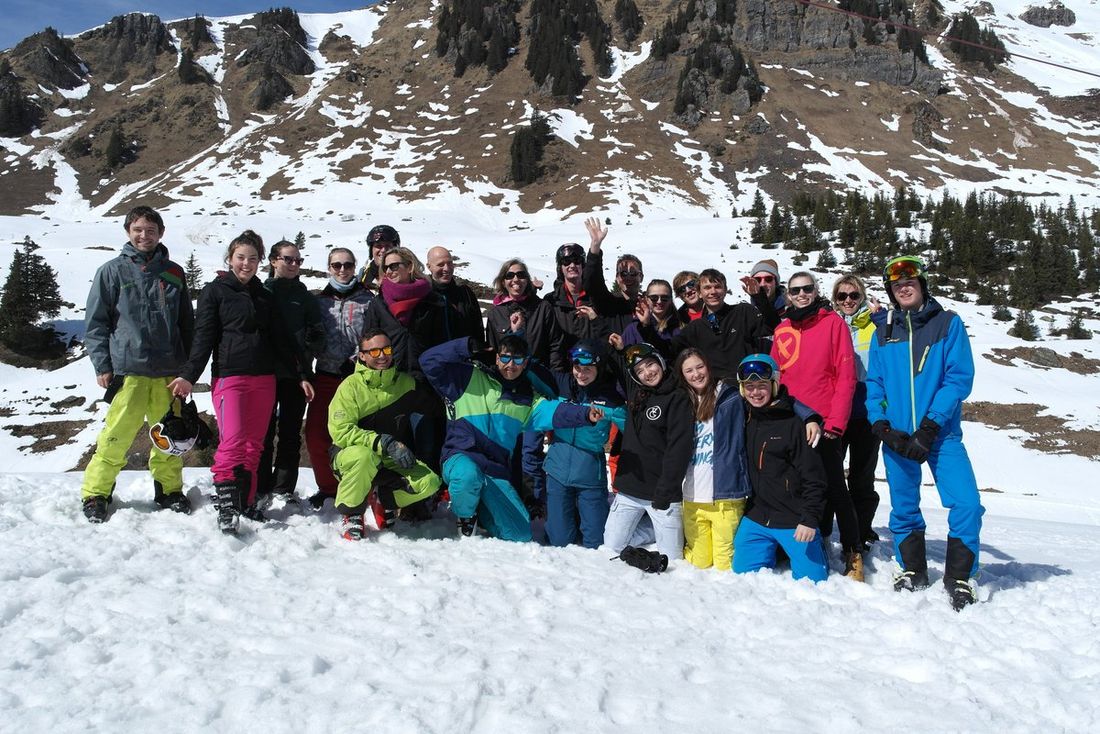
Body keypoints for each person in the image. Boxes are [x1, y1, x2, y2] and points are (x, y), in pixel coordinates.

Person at [170, 230, 310, 535]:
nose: (246, 263)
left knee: (254, 446)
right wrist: (188, 375)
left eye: (252, 258)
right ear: (230, 259)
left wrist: (301, 375)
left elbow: (282, 341)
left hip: (264, 378)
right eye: (240, 257)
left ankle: (245, 502)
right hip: (230, 376)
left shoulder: (264, 296)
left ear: (261, 261)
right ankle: (227, 505)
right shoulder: (215, 291)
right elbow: (203, 337)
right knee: (233, 441)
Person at [866, 255, 984, 611]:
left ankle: (960, 577)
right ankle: (911, 569)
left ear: (922, 284)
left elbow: (958, 378)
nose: (904, 288)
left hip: (941, 435)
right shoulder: (883, 333)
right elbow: (875, 384)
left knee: (966, 503)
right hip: (898, 437)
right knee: (904, 507)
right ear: (891, 291)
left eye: (910, 282)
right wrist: (882, 426)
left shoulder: (947, 324)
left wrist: (931, 426)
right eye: (897, 284)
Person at [419, 335, 602, 541]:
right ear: (497, 358)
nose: (510, 365)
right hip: (460, 457)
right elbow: (428, 361)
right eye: (505, 358)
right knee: (467, 475)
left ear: (525, 363)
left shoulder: (527, 400)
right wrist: (465, 346)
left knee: (520, 534)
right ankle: (466, 516)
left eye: (517, 360)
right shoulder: (468, 377)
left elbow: (555, 412)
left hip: (493, 470)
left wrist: (585, 414)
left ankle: (483, 510)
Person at [81, 205, 195, 522]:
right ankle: (96, 494)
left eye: (151, 230)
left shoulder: (174, 273)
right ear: (128, 232)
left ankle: (169, 490)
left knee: (170, 437)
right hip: (128, 371)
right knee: (115, 437)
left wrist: (188, 370)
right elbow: (96, 324)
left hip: (168, 373)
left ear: (161, 233)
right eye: (138, 229)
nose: (144, 235)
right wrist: (102, 365)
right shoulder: (111, 271)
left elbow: (187, 324)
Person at [770, 271, 863, 581]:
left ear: (815, 290)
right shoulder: (783, 328)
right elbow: (775, 377)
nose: (801, 294)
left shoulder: (832, 323)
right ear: (788, 294)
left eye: (807, 289)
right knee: (798, 486)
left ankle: (852, 550)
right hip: (791, 421)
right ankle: (812, 541)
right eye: (795, 290)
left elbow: (846, 376)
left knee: (834, 486)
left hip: (823, 421)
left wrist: (836, 423)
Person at [328, 330, 442, 540]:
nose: (382, 356)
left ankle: (383, 499)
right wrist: (384, 442)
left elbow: (435, 408)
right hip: (350, 458)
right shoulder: (350, 387)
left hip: (389, 458)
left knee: (429, 482)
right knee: (364, 456)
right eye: (374, 351)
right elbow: (341, 431)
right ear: (362, 355)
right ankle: (352, 514)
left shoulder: (406, 384)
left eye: (387, 349)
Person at [733, 354, 829, 582]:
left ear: (774, 385)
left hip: (793, 518)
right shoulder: (744, 416)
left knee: (813, 582)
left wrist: (809, 519)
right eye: (749, 387)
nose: (755, 392)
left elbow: (814, 478)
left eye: (762, 386)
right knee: (742, 576)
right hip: (757, 516)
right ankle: (776, 549)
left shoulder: (795, 424)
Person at [602, 343, 693, 561]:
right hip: (630, 490)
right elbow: (617, 361)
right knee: (612, 547)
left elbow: (679, 449)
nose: (647, 373)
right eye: (640, 371)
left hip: (662, 493)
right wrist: (616, 344)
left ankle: (662, 528)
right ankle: (652, 530)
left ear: (660, 361)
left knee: (672, 559)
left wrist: (665, 490)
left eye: (650, 364)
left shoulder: (678, 397)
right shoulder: (636, 391)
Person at [255, 240, 323, 513]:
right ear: (273, 260)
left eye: (298, 260)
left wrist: (307, 355)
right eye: (288, 259)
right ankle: (260, 487)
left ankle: (283, 488)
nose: (294, 264)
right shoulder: (261, 293)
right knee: (263, 433)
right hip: (265, 373)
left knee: (290, 433)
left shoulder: (304, 297)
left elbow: (317, 333)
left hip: (297, 375)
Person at [304, 247, 374, 509]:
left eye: (347, 265)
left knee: (358, 435)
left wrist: (356, 359)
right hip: (325, 375)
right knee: (316, 434)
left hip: (358, 378)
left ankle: (359, 486)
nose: (342, 270)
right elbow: (309, 335)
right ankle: (328, 487)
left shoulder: (368, 300)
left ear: (354, 267)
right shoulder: (319, 302)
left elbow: (374, 334)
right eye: (337, 265)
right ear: (329, 268)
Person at [537, 340, 625, 548]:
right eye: (577, 368)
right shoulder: (560, 386)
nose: (581, 374)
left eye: (588, 369)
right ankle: (566, 519)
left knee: (596, 542)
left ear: (598, 368)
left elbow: (632, 430)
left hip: (589, 473)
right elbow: (532, 370)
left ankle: (581, 516)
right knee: (559, 541)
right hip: (558, 469)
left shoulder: (610, 398)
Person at [675, 349, 751, 571]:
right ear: (682, 375)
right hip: (692, 496)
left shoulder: (730, 396)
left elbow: (768, 400)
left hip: (725, 497)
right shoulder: (681, 401)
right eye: (689, 370)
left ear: (708, 366)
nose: (696, 374)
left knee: (724, 564)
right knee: (699, 561)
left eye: (700, 367)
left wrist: (809, 417)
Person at [832, 274, 881, 548]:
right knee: (831, 475)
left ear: (861, 296)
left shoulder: (874, 324)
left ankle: (861, 532)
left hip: (866, 411)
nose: (848, 300)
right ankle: (831, 528)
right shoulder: (830, 325)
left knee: (862, 477)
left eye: (853, 295)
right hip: (837, 412)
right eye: (842, 296)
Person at [659, 268, 769, 380]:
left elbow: (770, 327)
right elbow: (668, 350)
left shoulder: (743, 312)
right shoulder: (695, 327)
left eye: (717, 287)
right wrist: (648, 325)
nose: (713, 292)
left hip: (747, 379)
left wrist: (759, 297)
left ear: (725, 290)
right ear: (700, 293)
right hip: (715, 385)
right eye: (707, 288)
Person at [363, 246, 446, 378]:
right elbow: (367, 341)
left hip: (425, 378)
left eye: (394, 266)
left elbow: (441, 341)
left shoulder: (431, 300)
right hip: (389, 378)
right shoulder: (378, 304)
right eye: (385, 268)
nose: (389, 271)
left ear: (410, 267)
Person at [581, 217, 644, 338]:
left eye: (633, 273)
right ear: (617, 278)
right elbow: (592, 282)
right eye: (623, 274)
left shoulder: (651, 304)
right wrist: (595, 247)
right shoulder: (608, 303)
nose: (628, 278)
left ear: (641, 276)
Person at [545, 241, 599, 371]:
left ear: (583, 265)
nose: (572, 265)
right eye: (566, 262)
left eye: (577, 261)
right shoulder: (551, 301)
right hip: (562, 371)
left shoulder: (596, 298)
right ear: (560, 267)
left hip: (592, 370)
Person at [426, 246, 484, 344]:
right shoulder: (424, 296)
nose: (447, 268)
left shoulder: (465, 294)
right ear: (429, 267)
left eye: (450, 263)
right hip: (435, 353)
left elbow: (478, 329)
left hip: (465, 353)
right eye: (440, 265)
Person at [613, 279, 683, 356]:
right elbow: (627, 357)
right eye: (654, 298)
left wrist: (646, 326)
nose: (659, 301)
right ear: (647, 299)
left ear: (670, 300)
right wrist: (621, 349)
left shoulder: (680, 328)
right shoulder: (634, 327)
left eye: (664, 298)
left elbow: (670, 355)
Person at [357, 224, 400, 290]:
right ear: (371, 250)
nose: (383, 250)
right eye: (378, 246)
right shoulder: (363, 276)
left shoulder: (405, 275)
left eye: (388, 246)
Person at [750, 259, 787, 334]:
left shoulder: (791, 310)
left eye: (768, 279)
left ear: (776, 282)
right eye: (757, 280)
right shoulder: (748, 312)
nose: (762, 284)